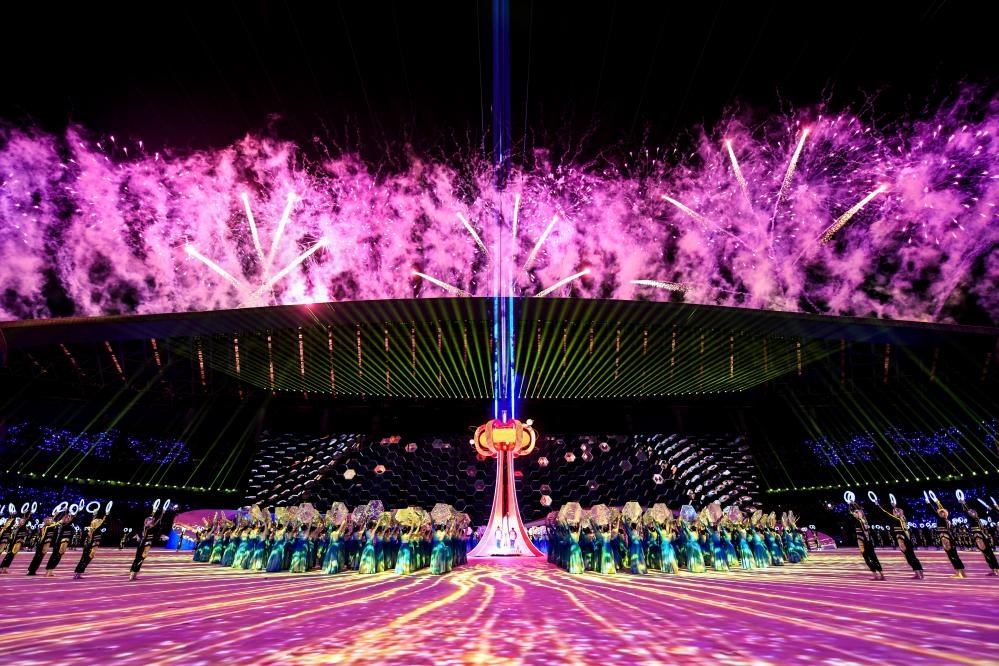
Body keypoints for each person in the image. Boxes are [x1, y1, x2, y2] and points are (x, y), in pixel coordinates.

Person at [129, 499, 170, 581]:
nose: (152, 521)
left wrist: (161, 513)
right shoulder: (147, 527)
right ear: (146, 522)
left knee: (141, 560)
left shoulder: (150, 527)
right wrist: (162, 513)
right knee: (138, 559)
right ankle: (132, 575)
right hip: (143, 545)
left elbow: (156, 520)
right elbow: (156, 521)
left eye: (152, 520)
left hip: (147, 545)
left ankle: (134, 575)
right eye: (150, 520)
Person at [847, 500, 884, 580]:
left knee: (868, 558)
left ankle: (876, 576)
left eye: (856, 512)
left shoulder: (859, 521)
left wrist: (850, 504)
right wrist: (854, 503)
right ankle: (881, 575)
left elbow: (850, 512)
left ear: (860, 514)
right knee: (873, 558)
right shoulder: (865, 520)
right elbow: (858, 510)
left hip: (863, 542)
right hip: (868, 541)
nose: (855, 513)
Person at [74, 502, 112, 579]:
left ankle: (78, 573)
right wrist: (107, 515)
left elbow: (103, 524)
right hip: (91, 541)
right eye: (94, 512)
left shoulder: (97, 520)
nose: (94, 513)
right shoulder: (94, 521)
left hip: (93, 540)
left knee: (87, 557)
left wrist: (106, 515)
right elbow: (100, 525)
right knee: (86, 557)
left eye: (95, 512)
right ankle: (78, 572)